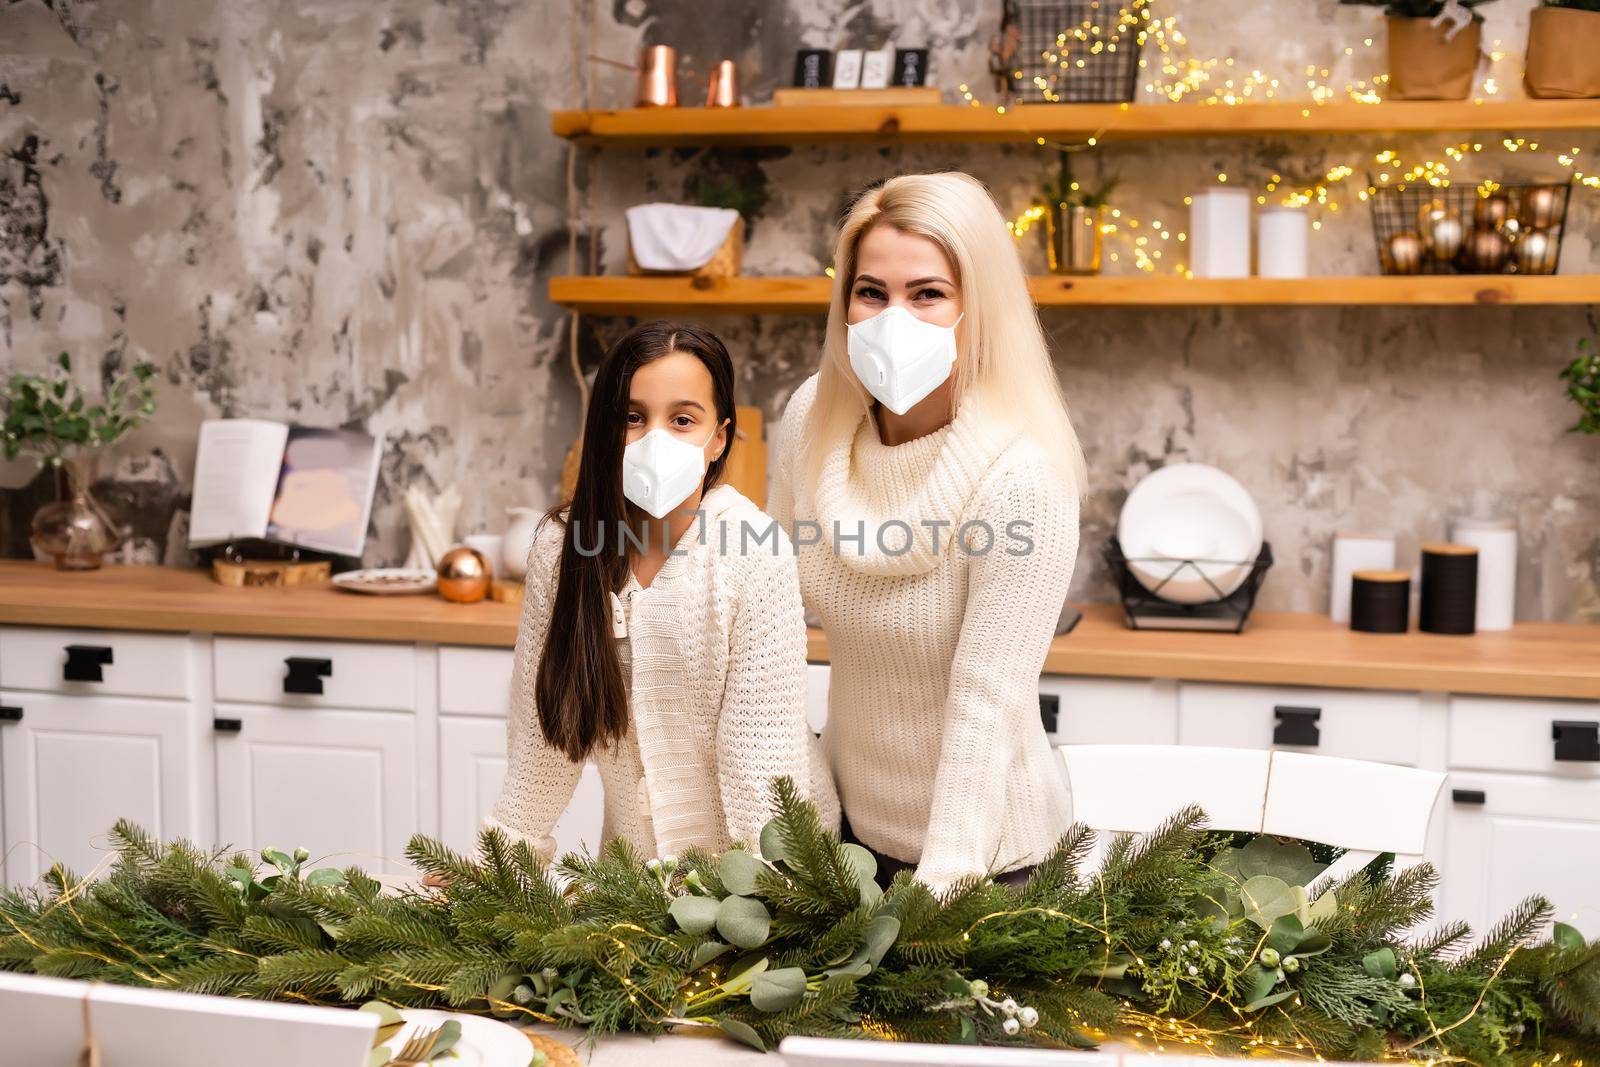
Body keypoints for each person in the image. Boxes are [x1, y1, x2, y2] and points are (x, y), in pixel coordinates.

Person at [769, 172, 1087, 892]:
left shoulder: (1022, 476)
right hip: (847, 843)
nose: (893, 318)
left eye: (928, 294)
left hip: (989, 867)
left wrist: (942, 887)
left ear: (979, 307)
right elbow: (773, 631)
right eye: (872, 292)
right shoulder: (810, 422)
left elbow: (986, 702)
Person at [486, 321, 838, 862]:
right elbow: (546, 734)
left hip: (773, 865)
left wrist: (764, 904)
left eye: (681, 420)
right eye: (632, 417)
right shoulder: (562, 551)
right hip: (633, 877)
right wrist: (500, 863)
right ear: (605, 429)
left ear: (718, 437)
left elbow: (760, 761)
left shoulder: (754, 552)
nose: (654, 439)